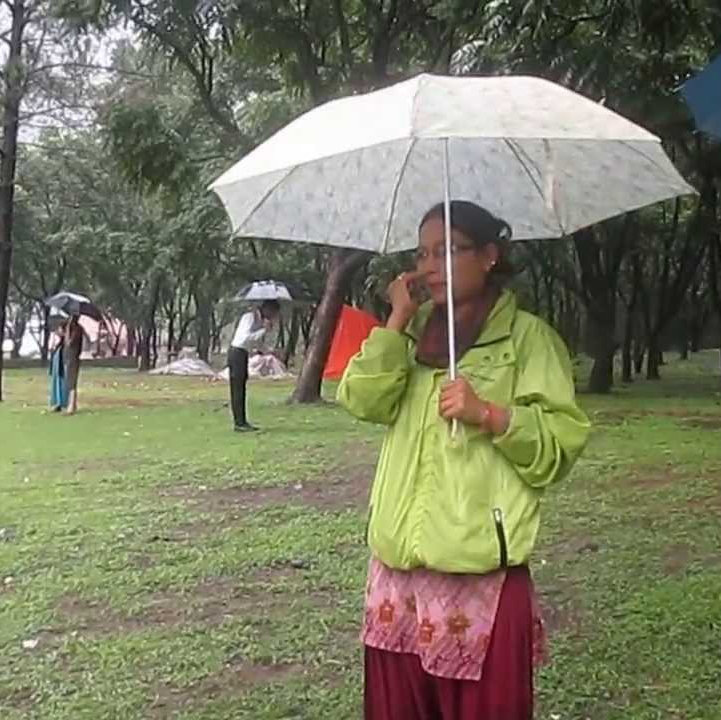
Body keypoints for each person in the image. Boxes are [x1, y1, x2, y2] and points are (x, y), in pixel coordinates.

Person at [337, 201, 591, 719]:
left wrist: (491, 415)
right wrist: (397, 320)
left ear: (490, 256)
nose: (431, 265)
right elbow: (362, 400)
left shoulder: (528, 341)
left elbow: (559, 446)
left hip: (480, 579)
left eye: (448, 250)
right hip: (397, 575)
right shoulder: (410, 335)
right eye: (423, 253)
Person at [228, 299, 280, 432]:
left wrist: (269, 351)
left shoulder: (259, 320)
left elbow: (256, 343)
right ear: (266, 309)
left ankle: (242, 421)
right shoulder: (249, 317)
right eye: (273, 313)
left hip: (243, 353)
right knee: (237, 388)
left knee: (242, 387)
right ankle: (239, 423)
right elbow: (245, 339)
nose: (273, 316)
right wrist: (263, 330)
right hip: (237, 353)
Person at [63, 318, 84, 415]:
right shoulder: (75, 329)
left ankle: (71, 405)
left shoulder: (77, 329)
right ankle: (72, 404)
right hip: (69, 357)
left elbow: (69, 342)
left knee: (72, 381)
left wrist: (67, 331)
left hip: (73, 357)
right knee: (69, 381)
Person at [48, 324, 68, 412]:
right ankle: (57, 403)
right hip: (57, 367)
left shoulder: (65, 343)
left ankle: (62, 403)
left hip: (61, 367)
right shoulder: (59, 344)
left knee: (62, 384)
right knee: (56, 384)